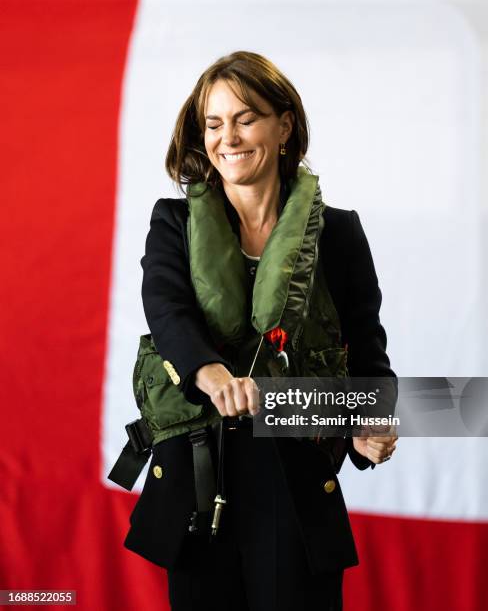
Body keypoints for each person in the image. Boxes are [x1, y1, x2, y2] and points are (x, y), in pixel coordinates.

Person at [123, 51, 398, 611]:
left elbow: (368, 350)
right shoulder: (170, 222)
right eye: (215, 123)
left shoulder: (340, 235)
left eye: (245, 118)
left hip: (295, 485)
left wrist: (374, 428)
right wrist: (209, 369)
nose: (228, 137)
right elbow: (167, 310)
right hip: (200, 483)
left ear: (284, 125)